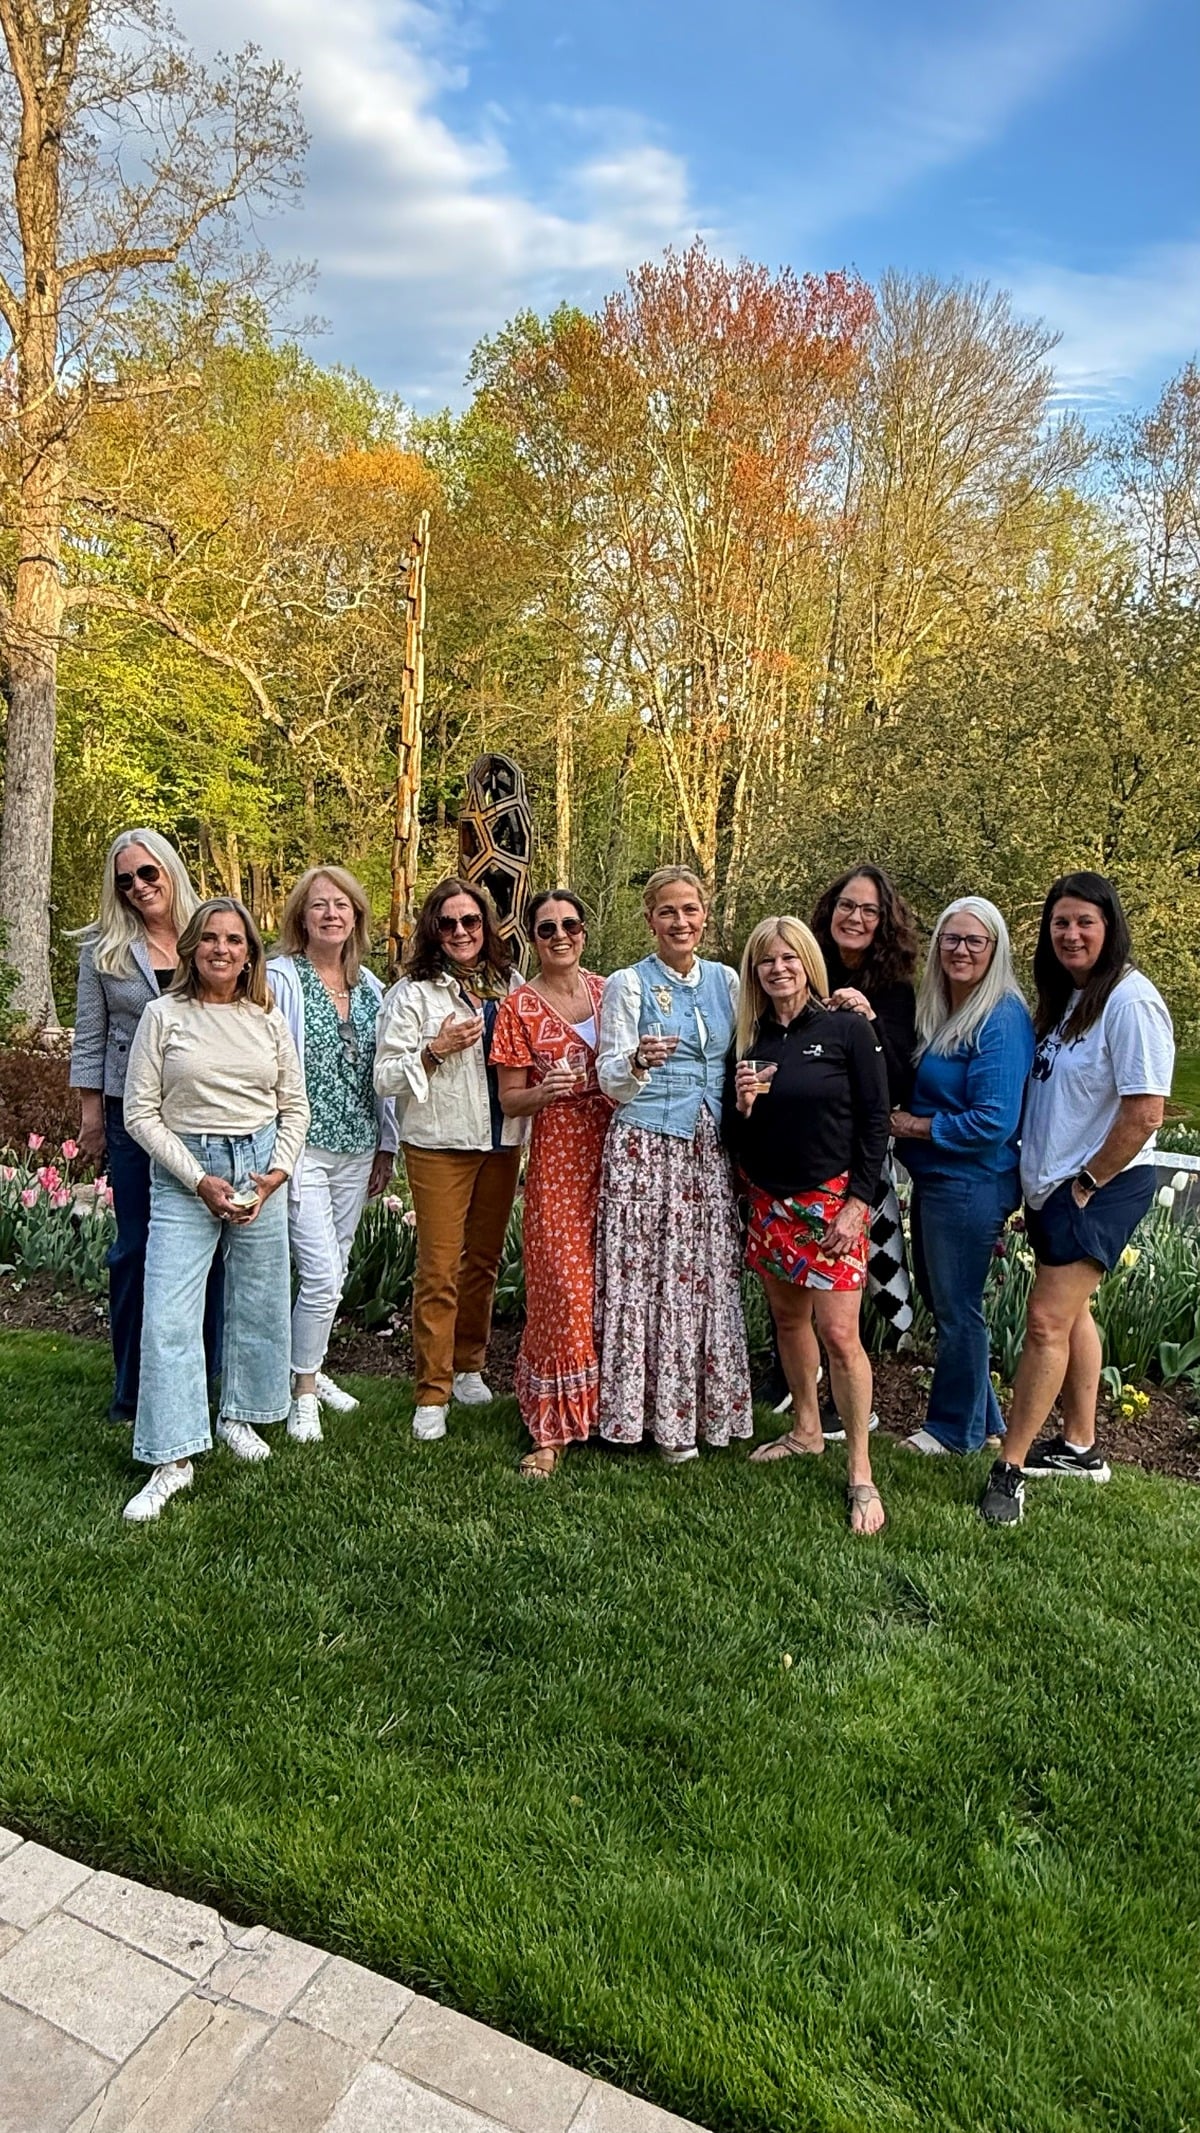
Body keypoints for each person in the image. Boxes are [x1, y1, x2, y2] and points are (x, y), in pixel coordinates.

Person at [979, 873, 1174, 1526]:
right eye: (1060, 922)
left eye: (1084, 921)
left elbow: (1146, 1111)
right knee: (1073, 1316)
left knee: (1044, 1322)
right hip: (1055, 1186)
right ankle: (1083, 1447)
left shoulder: (1130, 1000)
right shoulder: (1071, 1000)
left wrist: (1087, 1183)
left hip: (1100, 1187)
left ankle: (1009, 1467)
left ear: (1109, 926)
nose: (1071, 933)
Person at [120, 899, 309, 1522]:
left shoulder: (267, 1018)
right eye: (210, 939)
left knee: (258, 1302)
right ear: (191, 947)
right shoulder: (161, 1015)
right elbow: (140, 1113)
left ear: (250, 952)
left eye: (234, 940)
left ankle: (242, 1416)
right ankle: (171, 1456)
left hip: (258, 1168)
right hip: (185, 1175)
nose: (221, 949)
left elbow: (294, 1105)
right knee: (169, 1314)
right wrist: (198, 1178)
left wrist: (276, 1173)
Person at [725, 918, 891, 1534]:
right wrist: (742, 1108)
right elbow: (735, 1139)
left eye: (788, 957)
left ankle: (861, 1473)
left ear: (808, 962)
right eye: (765, 961)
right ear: (755, 972)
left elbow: (876, 1124)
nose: (777, 969)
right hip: (772, 1202)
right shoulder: (751, 1038)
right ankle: (805, 1430)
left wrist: (858, 1204)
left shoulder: (847, 1029)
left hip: (832, 1205)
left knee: (840, 1336)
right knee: (790, 1321)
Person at [594, 867, 753, 1462]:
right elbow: (609, 1081)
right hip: (645, 1147)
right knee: (644, 1279)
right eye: (667, 912)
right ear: (649, 919)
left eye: (689, 910)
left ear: (705, 916)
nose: (680, 922)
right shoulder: (627, 984)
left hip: (707, 1149)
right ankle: (639, 1419)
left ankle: (699, 1415)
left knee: (701, 1278)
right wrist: (636, 1060)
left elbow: (752, 1046)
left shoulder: (728, 981)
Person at [68, 828, 222, 1422]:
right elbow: (88, 1038)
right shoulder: (104, 950)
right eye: (125, 879)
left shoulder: (205, 935)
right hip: (131, 1116)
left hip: (203, 1112)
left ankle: (203, 1377)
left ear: (170, 871)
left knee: (208, 1247)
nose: (138, 887)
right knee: (135, 1247)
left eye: (147, 873)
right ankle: (131, 1390)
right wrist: (91, 1120)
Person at [373, 879, 525, 1442]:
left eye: (472, 922)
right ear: (433, 931)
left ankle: (469, 1366)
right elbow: (385, 1077)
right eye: (449, 923)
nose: (462, 932)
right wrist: (433, 1051)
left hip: (502, 1139)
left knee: (483, 1262)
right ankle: (431, 1391)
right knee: (438, 1268)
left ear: (487, 927)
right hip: (439, 1143)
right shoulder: (413, 993)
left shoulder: (509, 986)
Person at [891, 898, 1034, 1457]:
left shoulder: (1001, 1016)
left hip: (973, 1180)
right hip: (938, 1178)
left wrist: (911, 1125)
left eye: (976, 941)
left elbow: (994, 1121)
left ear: (995, 950)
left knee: (957, 1307)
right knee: (941, 1296)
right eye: (951, 939)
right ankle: (985, 1417)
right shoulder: (944, 1006)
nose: (962, 950)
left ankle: (953, 1431)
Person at [270, 867, 398, 1443]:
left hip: (357, 1145)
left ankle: (312, 1371)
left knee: (336, 1268)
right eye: (319, 905)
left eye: (342, 905)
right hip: (302, 1149)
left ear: (357, 917)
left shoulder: (371, 987)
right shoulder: (279, 980)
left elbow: (384, 1072)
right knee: (320, 1275)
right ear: (302, 916)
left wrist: (386, 1146)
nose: (330, 914)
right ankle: (301, 1395)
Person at [491, 889, 615, 1477]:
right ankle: (553, 1428)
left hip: (621, 1154)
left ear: (584, 932)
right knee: (562, 1290)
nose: (559, 935)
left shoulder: (611, 990)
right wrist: (545, 1092)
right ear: (532, 939)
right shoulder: (518, 1006)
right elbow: (510, 1098)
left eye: (569, 924)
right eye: (546, 929)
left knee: (615, 1287)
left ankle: (614, 1413)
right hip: (560, 1157)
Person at [806, 863, 921, 1429]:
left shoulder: (896, 989)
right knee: (795, 1269)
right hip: (800, 1143)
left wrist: (869, 1020)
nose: (855, 918)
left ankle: (846, 1397)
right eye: (847, 906)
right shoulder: (803, 967)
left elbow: (899, 1080)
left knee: (850, 1270)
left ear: (884, 922)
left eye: (868, 910)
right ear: (830, 912)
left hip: (857, 1152)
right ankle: (798, 1380)